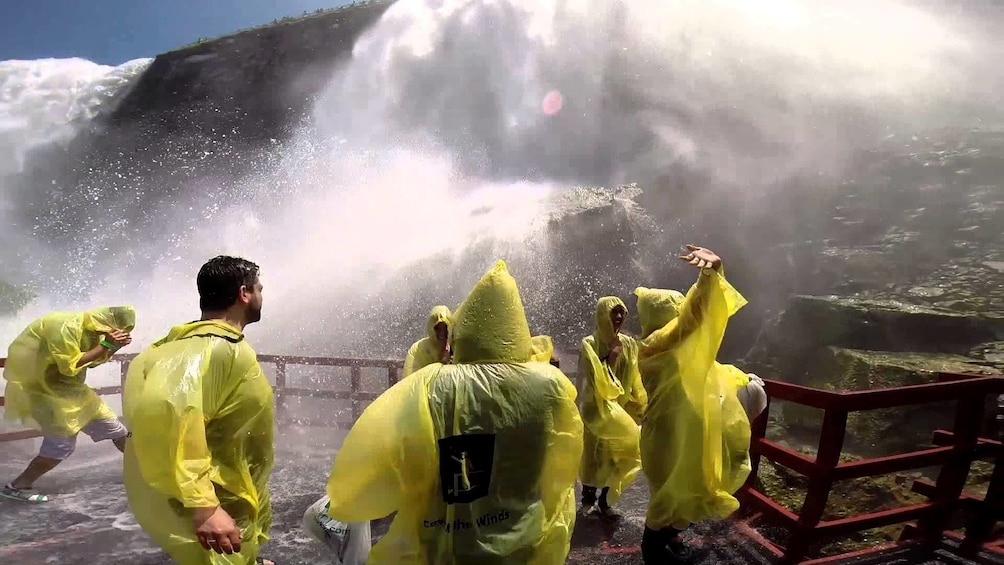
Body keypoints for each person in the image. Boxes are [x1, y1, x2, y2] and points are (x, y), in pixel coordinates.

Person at [323, 260, 583, 564]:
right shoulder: (549, 384)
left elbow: (392, 444)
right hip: (524, 542)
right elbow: (564, 454)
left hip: (448, 545)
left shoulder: (432, 382)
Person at [122, 256, 275, 565]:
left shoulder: (193, 343)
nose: (262, 295)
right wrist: (204, 507)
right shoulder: (216, 347)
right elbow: (172, 415)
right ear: (244, 293)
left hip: (232, 494)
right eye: (259, 288)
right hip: (220, 504)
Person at [634, 245, 753, 564]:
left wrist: (740, 377)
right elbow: (692, 321)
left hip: (671, 432)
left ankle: (668, 537)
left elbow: (710, 368)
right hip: (670, 435)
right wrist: (709, 276)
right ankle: (653, 552)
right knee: (668, 496)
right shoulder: (655, 346)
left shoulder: (669, 352)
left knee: (678, 492)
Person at [1, 306, 135, 503]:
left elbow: (93, 361)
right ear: (108, 323)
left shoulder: (95, 331)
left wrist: (113, 346)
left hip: (75, 392)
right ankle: (17, 486)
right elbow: (69, 367)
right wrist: (107, 344)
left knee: (117, 430)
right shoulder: (64, 327)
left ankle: (146, 472)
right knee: (60, 447)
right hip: (46, 392)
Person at [577, 297, 646, 519]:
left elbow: (635, 376)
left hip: (621, 409)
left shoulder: (629, 343)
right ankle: (588, 500)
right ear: (602, 315)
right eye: (613, 312)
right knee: (593, 455)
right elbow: (595, 378)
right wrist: (612, 356)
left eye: (621, 313)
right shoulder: (589, 342)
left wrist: (639, 401)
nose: (617, 317)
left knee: (619, 455)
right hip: (596, 409)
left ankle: (606, 501)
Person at [402, 305, 452, 378]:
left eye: (445, 329)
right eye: (438, 329)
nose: (442, 333)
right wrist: (444, 362)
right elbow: (412, 379)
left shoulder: (455, 347)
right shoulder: (419, 349)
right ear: (431, 328)